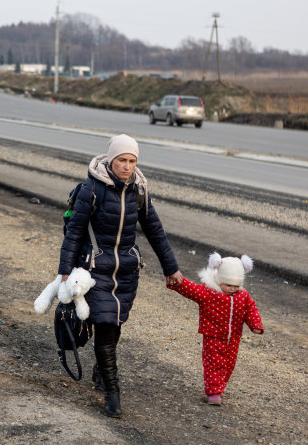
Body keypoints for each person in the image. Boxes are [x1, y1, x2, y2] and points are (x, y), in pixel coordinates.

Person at [59, 134, 183, 417]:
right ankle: (112, 394)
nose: (126, 166)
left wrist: (171, 268)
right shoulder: (91, 189)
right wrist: (64, 270)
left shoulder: (139, 190)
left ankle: (101, 371)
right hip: (96, 269)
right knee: (104, 323)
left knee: (114, 325)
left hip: (126, 271)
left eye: (131, 161)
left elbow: (155, 230)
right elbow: (75, 232)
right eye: (121, 160)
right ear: (111, 160)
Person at [167, 252, 263, 405]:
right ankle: (214, 393)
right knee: (214, 364)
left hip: (233, 338)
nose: (232, 289)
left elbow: (250, 309)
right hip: (213, 336)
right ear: (219, 281)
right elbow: (191, 289)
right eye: (228, 285)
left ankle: (219, 386)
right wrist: (178, 283)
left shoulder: (243, 296)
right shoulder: (209, 293)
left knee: (229, 365)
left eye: (236, 285)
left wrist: (255, 324)